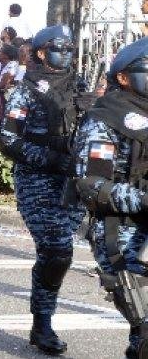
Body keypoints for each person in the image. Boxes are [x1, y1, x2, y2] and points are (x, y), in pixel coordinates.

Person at [0, 25, 90, 355]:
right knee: (57, 247)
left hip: (72, 181)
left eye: (68, 48)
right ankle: (43, 322)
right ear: (39, 52)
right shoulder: (25, 90)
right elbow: (7, 140)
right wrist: (50, 157)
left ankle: (41, 321)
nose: (64, 54)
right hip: (37, 179)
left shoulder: (80, 87)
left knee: (57, 254)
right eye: (56, 48)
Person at [71, 36, 148, 358]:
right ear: (123, 77)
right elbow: (91, 186)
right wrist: (143, 199)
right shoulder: (103, 120)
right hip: (122, 232)